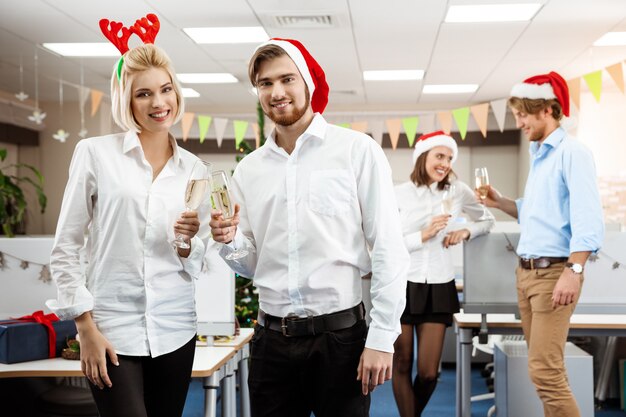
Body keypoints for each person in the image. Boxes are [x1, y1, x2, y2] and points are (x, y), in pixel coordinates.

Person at [209, 38, 409, 417]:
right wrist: (230, 239)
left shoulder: (355, 150)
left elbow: (388, 247)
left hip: (341, 339)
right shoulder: (250, 169)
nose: (276, 92)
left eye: (287, 79)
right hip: (270, 343)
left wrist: (383, 337)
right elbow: (251, 264)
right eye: (265, 83)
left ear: (308, 83)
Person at [46, 14, 210, 417]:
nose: (159, 103)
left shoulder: (195, 169)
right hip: (110, 330)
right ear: (126, 99)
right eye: (144, 94)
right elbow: (65, 246)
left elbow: (196, 261)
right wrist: (84, 328)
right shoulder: (95, 153)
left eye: (166, 90)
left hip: (175, 328)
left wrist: (188, 242)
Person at [481, 71, 604, 417]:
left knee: (545, 372)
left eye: (523, 114)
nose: (519, 122)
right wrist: (501, 201)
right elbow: (535, 213)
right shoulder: (541, 156)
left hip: (554, 274)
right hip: (528, 275)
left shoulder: (572, 153)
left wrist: (574, 270)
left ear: (547, 109)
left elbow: (588, 220)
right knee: (546, 373)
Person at [392, 131, 494, 416]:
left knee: (427, 373)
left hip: (438, 284)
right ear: (423, 156)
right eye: (440, 156)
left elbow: (487, 219)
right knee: (401, 363)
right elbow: (384, 243)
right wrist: (422, 235)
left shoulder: (458, 190)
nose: (446, 163)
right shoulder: (397, 193)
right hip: (402, 283)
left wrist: (466, 230)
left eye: (450, 158)